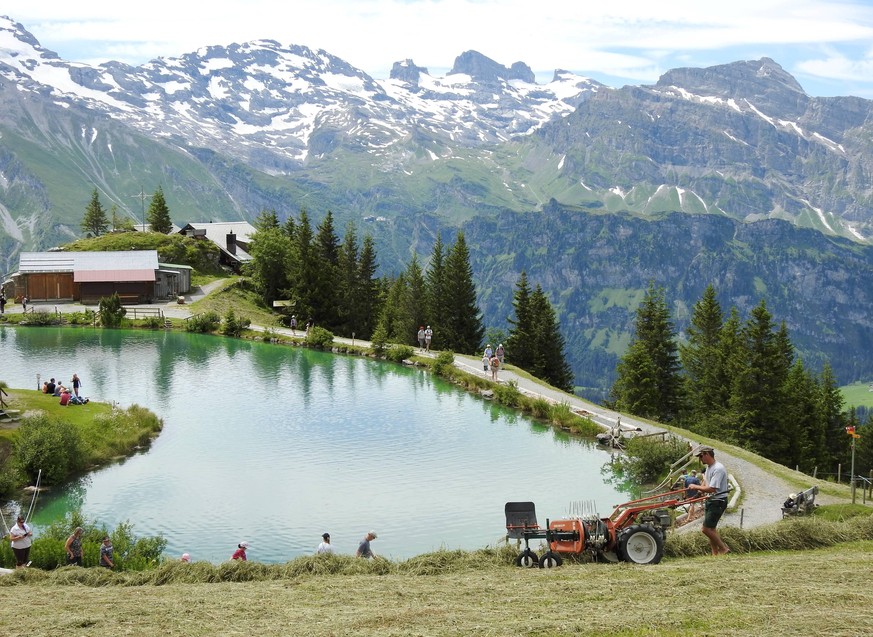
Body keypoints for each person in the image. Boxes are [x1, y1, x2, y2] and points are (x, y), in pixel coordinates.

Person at [687, 446, 731, 555]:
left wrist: (695, 487)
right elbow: (705, 483)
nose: (700, 459)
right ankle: (715, 554)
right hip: (711, 500)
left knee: (705, 529)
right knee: (711, 529)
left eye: (701, 456)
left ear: (707, 454)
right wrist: (697, 495)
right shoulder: (709, 468)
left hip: (718, 501)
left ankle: (724, 549)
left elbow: (712, 488)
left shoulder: (718, 468)